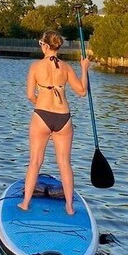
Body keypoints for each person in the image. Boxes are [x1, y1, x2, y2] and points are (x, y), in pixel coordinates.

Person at [18, 30, 89, 215]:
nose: (41, 47)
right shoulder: (66, 67)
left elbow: (29, 95)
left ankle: (25, 203)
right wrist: (84, 68)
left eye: (41, 44)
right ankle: (70, 207)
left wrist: (41, 102)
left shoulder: (35, 67)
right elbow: (82, 92)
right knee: (65, 163)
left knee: (35, 162)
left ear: (46, 46)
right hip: (63, 118)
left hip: (42, 116)